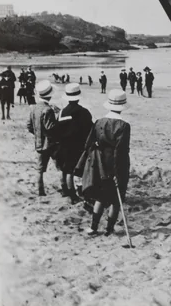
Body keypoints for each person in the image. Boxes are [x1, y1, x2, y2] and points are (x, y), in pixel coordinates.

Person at [83, 90, 130, 236]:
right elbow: (120, 151)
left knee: (100, 197)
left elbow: (88, 144)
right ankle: (109, 229)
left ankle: (93, 227)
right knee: (116, 200)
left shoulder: (99, 122)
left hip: (100, 164)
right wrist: (117, 172)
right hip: (117, 164)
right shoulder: (124, 126)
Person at [55, 83, 93, 204]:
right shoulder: (84, 112)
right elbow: (89, 130)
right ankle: (72, 194)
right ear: (78, 97)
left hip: (63, 145)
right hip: (78, 146)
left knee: (64, 169)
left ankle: (65, 189)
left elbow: (58, 129)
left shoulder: (62, 112)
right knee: (72, 171)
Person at [27, 80, 60, 196]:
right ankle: (64, 188)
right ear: (49, 96)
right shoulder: (48, 110)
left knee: (40, 169)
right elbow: (51, 127)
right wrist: (57, 115)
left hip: (40, 143)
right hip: (51, 143)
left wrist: (38, 134)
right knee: (60, 166)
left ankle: (40, 191)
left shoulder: (33, 108)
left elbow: (29, 126)